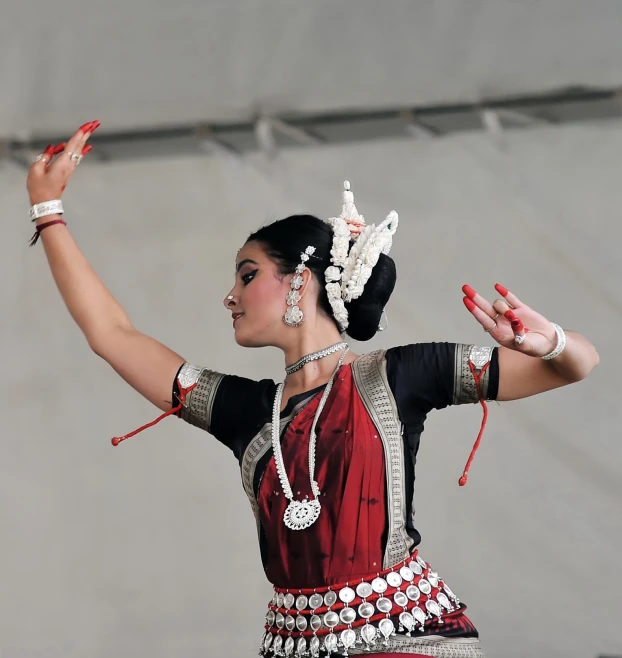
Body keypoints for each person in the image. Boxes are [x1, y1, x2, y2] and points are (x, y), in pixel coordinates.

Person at [26, 123, 599, 658]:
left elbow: (577, 363)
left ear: (299, 280)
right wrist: (48, 212)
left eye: (247, 275)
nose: (230, 296)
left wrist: (548, 342)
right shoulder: (249, 414)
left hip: (411, 641)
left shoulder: (398, 378)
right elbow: (112, 334)